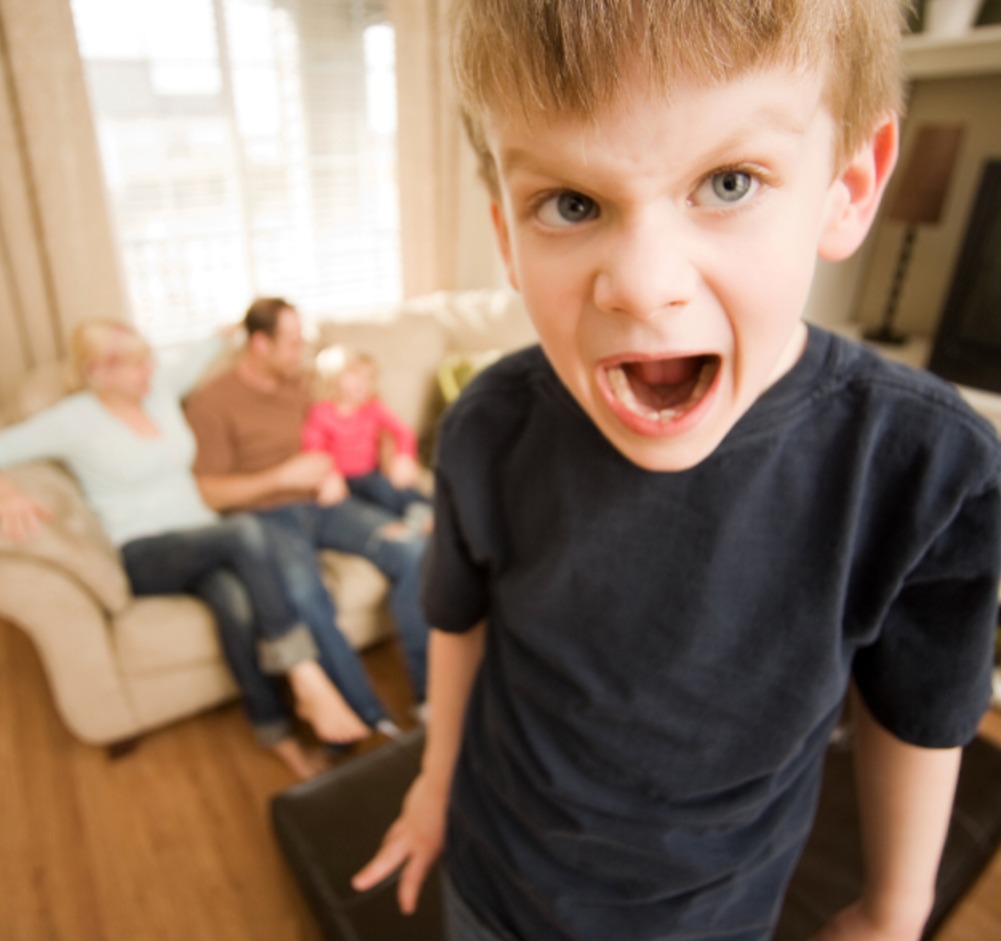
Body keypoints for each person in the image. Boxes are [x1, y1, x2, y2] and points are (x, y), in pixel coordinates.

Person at [351, 2, 1001, 940]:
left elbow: (922, 710)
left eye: (728, 182)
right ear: (506, 232)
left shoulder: (923, 468)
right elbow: (458, 623)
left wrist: (893, 912)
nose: (644, 282)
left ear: (846, 187)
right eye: (571, 204)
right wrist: (429, 785)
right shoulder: (489, 427)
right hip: (492, 884)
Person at [0, 319, 374, 780]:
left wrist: (237, 329)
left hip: (201, 539)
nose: (150, 370)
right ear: (99, 370)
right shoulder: (73, 420)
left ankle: (277, 734)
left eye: (150, 358)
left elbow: (201, 351)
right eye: (137, 364)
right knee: (244, 532)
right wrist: (9, 493)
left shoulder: (157, 391)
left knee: (233, 602)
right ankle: (305, 675)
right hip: (145, 552)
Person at [184, 298, 431, 722]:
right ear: (260, 344)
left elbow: (366, 414)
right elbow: (211, 493)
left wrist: (392, 454)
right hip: (267, 518)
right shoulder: (213, 401)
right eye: (293, 342)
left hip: (327, 502)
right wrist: (281, 478)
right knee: (306, 597)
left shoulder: (305, 383)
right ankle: (369, 719)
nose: (303, 351)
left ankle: (429, 699)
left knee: (412, 549)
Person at [303, 345, 432, 529]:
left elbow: (403, 432)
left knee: (388, 489)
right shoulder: (320, 412)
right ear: (336, 376)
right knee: (359, 505)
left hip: (370, 474)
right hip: (341, 480)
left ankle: (427, 511)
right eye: (356, 374)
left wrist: (404, 457)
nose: (363, 382)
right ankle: (414, 517)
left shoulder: (374, 408)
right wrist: (329, 475)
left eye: (370, 378)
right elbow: (314, 447)